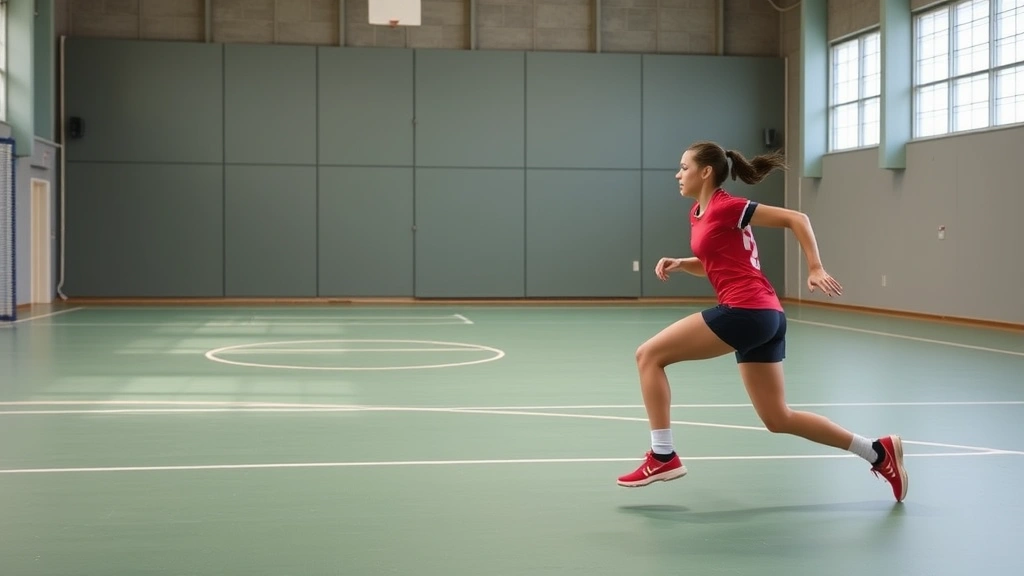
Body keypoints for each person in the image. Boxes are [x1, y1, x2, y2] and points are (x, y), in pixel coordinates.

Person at [616, 141, 907, 503]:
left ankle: (662, 455)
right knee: (778, 418)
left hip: (746, 310)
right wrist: (682, 263)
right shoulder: (698, 213)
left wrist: (815, 267)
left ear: (706, 172)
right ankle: (877, 452)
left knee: (648, 355)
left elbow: (797, 219)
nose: (678, 174)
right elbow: (716, 261)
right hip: (765, 316)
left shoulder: (727, 206)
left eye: (684, 167)